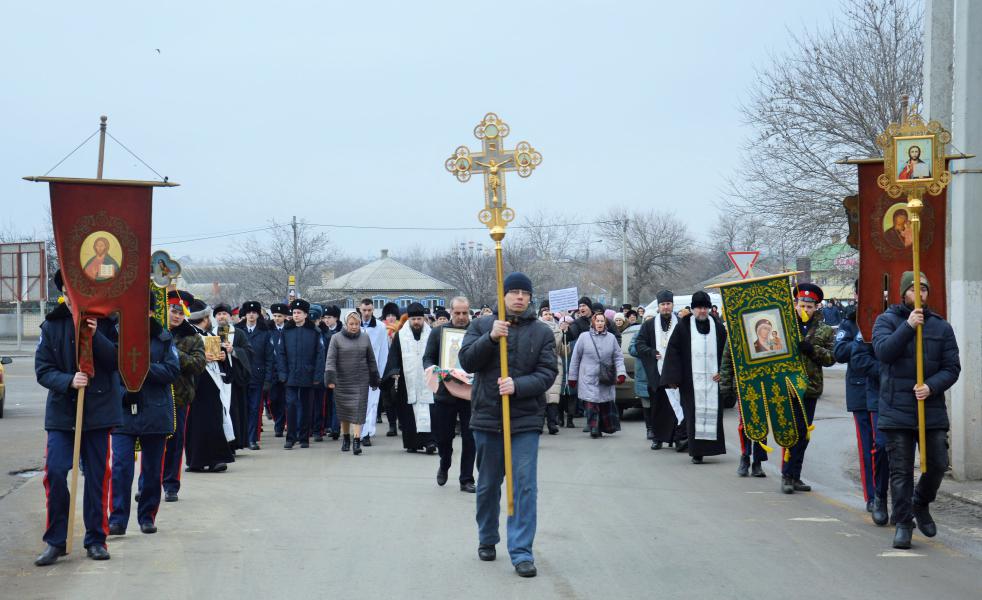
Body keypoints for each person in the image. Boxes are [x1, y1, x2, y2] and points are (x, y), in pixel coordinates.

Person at [459, 272, 558, 578]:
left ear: (530, 297)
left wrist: (519, 385)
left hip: (525, 420)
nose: (519, 297)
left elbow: (547, 373)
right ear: (503, 296)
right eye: (513, 292)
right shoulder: (482, 325)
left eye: (523, 293)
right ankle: (487, 538)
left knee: (524, 486)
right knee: (488, 485)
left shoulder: (542, 332)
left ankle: (521, 552)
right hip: (488, 418)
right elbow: (466, 361)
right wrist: (490, 339)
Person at [34, 270, 121, 566]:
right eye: (71, 291)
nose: (76, 297)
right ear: (65, 292)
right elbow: (43, 370)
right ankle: (56, 541)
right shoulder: (52, 325)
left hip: (97, 412)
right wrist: (68, 380)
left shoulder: (107, 323)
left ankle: (96, 539)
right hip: (62, 414)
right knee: (56, 472)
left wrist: (97, 337)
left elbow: (118, 362)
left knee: (98, 476)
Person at [872, 272, 960, 549]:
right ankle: (903, 523)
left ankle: (920, 503)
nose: (919, 293)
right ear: (903, 293)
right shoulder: (886, 320)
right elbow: (883, 353)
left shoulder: (941, 327)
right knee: (900, 471)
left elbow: (952, 368)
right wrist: (908, 326)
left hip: (930, 408)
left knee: (937, 464)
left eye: (924, 288)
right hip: (897, 409)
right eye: (913, 289)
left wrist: (931, 387)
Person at [109, 299, 180, 536]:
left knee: (151, 471)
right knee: (121, 468)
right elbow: (108, 373)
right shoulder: (115, 335)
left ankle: (147, 516)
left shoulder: (163, 338)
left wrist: (143, 369)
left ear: (150, 311)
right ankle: (117, 518)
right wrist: (123, 393)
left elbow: (172, 371)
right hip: (123, 412)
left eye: (143, 310)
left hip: (155, 411)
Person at [780, 283, 836, 493]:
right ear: (796, 304)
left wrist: (813, 350)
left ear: (816, 307)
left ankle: (796, 475)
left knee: (803, 433)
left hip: (810, 388)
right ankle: (786, 474)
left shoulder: (825, 330)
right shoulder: (785, 326)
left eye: (809, 306)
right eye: (802, 305)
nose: (805, 310)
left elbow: (831, 358)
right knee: (789, 431)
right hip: (788, 386)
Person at [660, 291, 727, 464]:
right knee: (693, 416)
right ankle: (696, 451)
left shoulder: (718, 327)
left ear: (710, 309)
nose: (702, 311)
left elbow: (726, 353)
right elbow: (673, 352)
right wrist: (673, 378)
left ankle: (712, 448)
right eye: (698, 308)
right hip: (690, 382)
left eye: (705, 307)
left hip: (714, 380)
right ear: (692, 309)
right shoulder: (683, 326)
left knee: (713, 414)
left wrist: (723, 371)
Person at [425, 297, 476, 490]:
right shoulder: (439, 333)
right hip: (445, 393)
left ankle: (467, 479)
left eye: (465, 313)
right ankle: (444, 462)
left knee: (471, 437)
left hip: (470, 394)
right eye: (457, 313)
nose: (461, 317)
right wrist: (434, 370)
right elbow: (428, 357)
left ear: (469, 311)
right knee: (444, 437)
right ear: (451, 312)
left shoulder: (476, 331)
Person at [160, 290, 206, 501]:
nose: (176, 315)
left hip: (179, 396)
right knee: (153, 443)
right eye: (173, 310)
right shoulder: (154, 332)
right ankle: (148, 484)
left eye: (181, 312)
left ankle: (171, 485)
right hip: (154, 395)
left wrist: (174, 353)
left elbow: (198, 365)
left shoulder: (193, 337)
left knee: (176, 443)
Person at [184, 301, 235, 472]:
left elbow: (222, 363)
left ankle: (206, 458)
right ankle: (206, 459)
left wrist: (222, 356)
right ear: (205, 318)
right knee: (202, 422)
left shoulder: (208, 335)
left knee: (210, 420)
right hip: (198, 382)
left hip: (210, 382)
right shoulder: (190, 336)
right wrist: (203, 357)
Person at [634, 290, 685, 450]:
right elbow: (639, 344)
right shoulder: (649, 325)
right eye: (663, 304)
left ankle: (677, 437)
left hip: (676, 374)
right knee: (658, 408)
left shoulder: (682, 323)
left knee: (676, 407)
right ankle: (657, 438)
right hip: (657, 374)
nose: (666, 307)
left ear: (672, 305)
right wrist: (651, 352)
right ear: (658, 306)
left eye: (668, 304)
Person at [325, 311, 381, 455]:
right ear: (345, 324)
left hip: (361, 379)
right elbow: (330, 360)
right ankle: (346, 438)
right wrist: (330, 379)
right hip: (342, 381)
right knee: (344, 412)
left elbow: (371, 359)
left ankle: (357, 441)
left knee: (359, 411)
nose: (354, 326)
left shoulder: (365, 337)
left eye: (357, 324)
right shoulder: (336, 338)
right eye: (351, 324)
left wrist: (374, 377)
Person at [385, 302, 437, 453]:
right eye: (413, 319)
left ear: (423, 319)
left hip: (428, 380)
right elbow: (394, 355)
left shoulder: (432, 334)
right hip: (407, 381)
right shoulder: (401, 335)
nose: (416, 322)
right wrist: (394, 370)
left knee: (430, 411)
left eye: (419, 319)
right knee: (408, 413)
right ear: (409, 319)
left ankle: (430, 442)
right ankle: (412, 443)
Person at [275, 299, 326, 450]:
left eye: (299, 313)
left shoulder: (314, 332)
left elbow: (320, 355)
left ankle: (304, 437)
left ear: (305, 315)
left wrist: (317, 376)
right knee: (290, 405)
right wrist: (282, 374)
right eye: (294, 313)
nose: (296, 315)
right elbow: (281, 353)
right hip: (290, 375)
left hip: (308, 375)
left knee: (306, 406)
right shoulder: (286, 331)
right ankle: (291, 438)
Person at [568, 312, 627, 438]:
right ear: (593, 323)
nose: (600, 323)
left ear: (605, 323)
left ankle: (601, 426)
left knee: (604, 403)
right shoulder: (584, 337)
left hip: (606, 376)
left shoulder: (611, 338)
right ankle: (593, 427)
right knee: (592, 403)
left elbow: (618, 357)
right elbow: (575, 358)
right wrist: (572, 377)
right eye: (597, 321)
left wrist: (621, 373)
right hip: (588, 377)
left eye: (602, 321)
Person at [720, 340, 767, 477]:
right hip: (743, 384)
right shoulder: (735, 330)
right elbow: (727, 361)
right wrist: (725, 386)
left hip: (764, 382)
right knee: (745, 424)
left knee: (762, 423)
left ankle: (758, 462)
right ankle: (745, 457)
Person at [213, 303, 252, 451]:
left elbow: (248, 351)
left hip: (235, 378)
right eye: (218, 314)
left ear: (230, 316)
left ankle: (235, 442)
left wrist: (234, 350)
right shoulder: (211, 333)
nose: (222, 316)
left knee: (235, 410)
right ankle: (222, 443)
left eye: (224, 314)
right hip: (218, 378)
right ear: (215, 317)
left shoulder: (239, 333)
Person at [240, 301, 275, 450]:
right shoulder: (237, 330)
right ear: (245, 314)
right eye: (249, 312)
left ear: (258, 314)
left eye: (254, 312)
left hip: (257, 375)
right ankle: (241, 438)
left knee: (255, 409)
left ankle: (252, 439)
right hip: (240, 376)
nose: (251, 315)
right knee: (242, 408)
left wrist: (268, 379)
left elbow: (269, 358)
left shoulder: (264, 332)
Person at [358, 298, 390, 446]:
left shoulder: (380, 327)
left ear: (373, 310)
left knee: (372, 403)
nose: (366, 313)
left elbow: (383, 351)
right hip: (355, 371)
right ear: (359, 309)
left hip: (373, 371)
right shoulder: (353, 325)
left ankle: (367, 433)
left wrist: (381, 374)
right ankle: (358, 431)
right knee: (358, 402)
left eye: (369, 310)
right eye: (364, 310)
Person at [267, 303, 290, 437]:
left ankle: (285, 424)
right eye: (274, 316)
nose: (276, 318)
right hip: (274, 370)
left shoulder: (289, 329)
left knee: (288, 400)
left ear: (285, 317)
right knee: (275, 399)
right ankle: (278, 423)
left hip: (287, 369)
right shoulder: (269, 330)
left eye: (279, 316)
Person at [626, 317, 651, 441]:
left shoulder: (658, 333)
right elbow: (631, 349)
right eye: (647, 320)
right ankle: (649, 429)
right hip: (643, 375)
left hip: (657, 374)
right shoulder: (638, 334)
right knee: (646, 404)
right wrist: (646, 350)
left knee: (658, 406)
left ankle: (658, 429)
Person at [380, 302, 402, 437]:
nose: (391, 318)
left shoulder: (402, 329)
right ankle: (392, 425)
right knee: (387, 398)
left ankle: (402, 422)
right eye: (388, 315)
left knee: (398, 396)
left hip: (398, 368)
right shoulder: (381, 329)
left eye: (393, 315)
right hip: (384, 368)